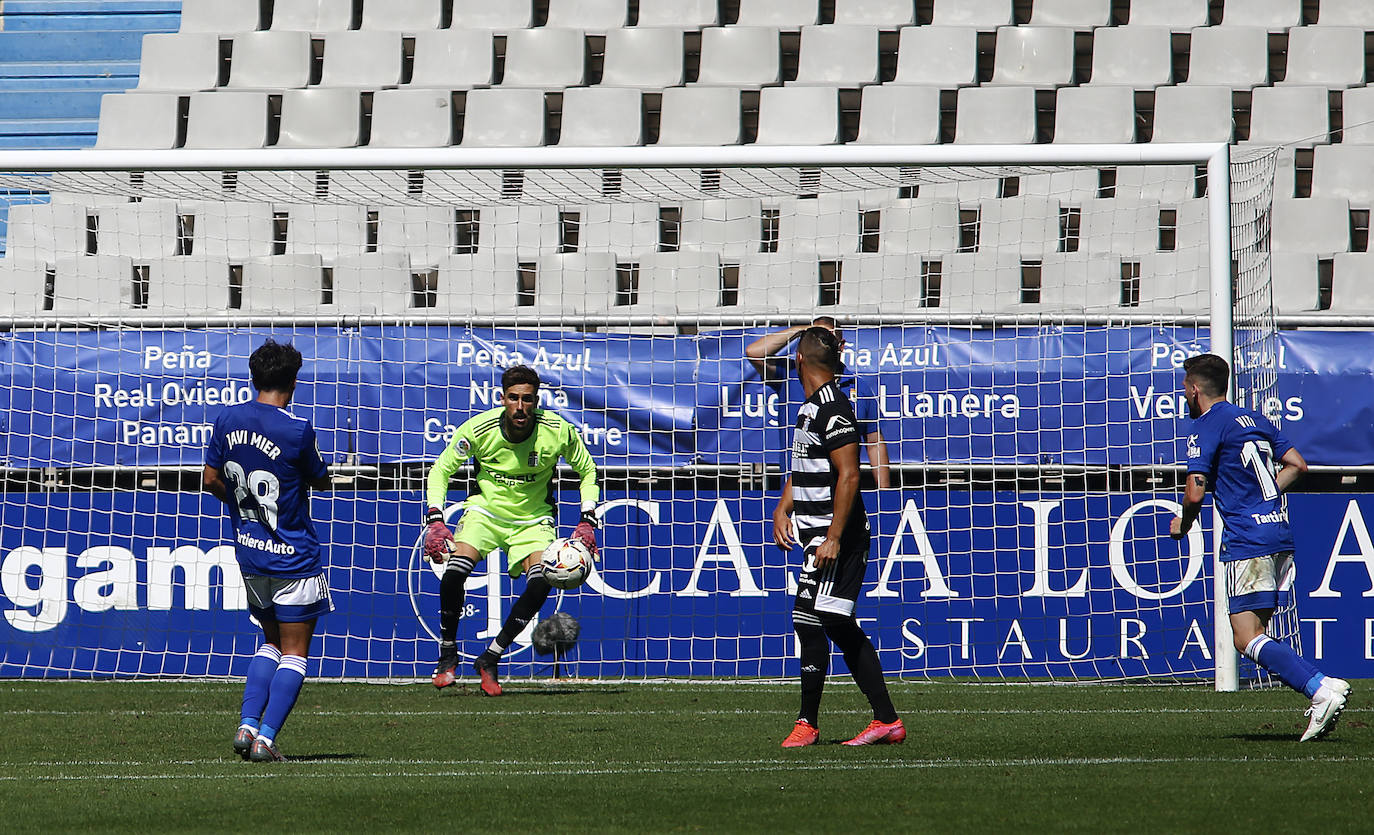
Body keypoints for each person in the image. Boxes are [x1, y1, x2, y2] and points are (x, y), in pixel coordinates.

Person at [1171, 353, 1349, 741]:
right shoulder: (1253, 419)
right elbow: (1298, 464)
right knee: (1259, 631)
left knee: (1244, 636)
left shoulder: (1206, 426)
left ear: (1195, 389)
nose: (1184, 393)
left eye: (1185, 387)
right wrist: (1263, 497)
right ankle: (1323, 685)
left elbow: (1195, 491)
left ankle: (1320, 690)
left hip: (1246, 538)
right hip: (1277, 532)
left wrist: (1183, 525)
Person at [423, 365, 599, 695]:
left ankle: (491, 656)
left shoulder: (557, 430)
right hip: (485, 513)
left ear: (536, 400)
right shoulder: (479, 429)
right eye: (514, 398)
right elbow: (440, 470)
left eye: (528, 399)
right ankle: (448, 653)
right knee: (454, 572)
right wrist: (435, 518)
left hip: (533, 520)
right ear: (502, 398)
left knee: (541, 583)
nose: (521, 406)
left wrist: (587, 519)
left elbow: (587, 470)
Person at [773, 327, 904, 747]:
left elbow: (850, 473)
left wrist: (832, 535)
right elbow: (812, 467)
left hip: (838, 537)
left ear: (799, 362)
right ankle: (872, 721)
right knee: (822, 621)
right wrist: (784, 505)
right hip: (819, 535)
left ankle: (824, 723)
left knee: (818, 619)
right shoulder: (813, 408)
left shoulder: (833, 407)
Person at [203, 339, 333, 763]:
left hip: (250, 554)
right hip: (293, 556)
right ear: (293, 382)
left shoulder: (227, 418)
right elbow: (321, 479)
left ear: (253, 376)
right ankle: (266, 739)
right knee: (295, 651)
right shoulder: (297, 429)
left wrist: (247, 511)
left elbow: (209, 479)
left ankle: (246, 726)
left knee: (269, 642)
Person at [745, 316, 892, 488]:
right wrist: (802, 330)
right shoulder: (790, 375)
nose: (821, 345)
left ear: (841, 346)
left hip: (842, 490)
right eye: (815, 340)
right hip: (796, 491)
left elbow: (874, 442)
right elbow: (753, 352)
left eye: (826, 339)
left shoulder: (859, 387)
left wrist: (884, 492)